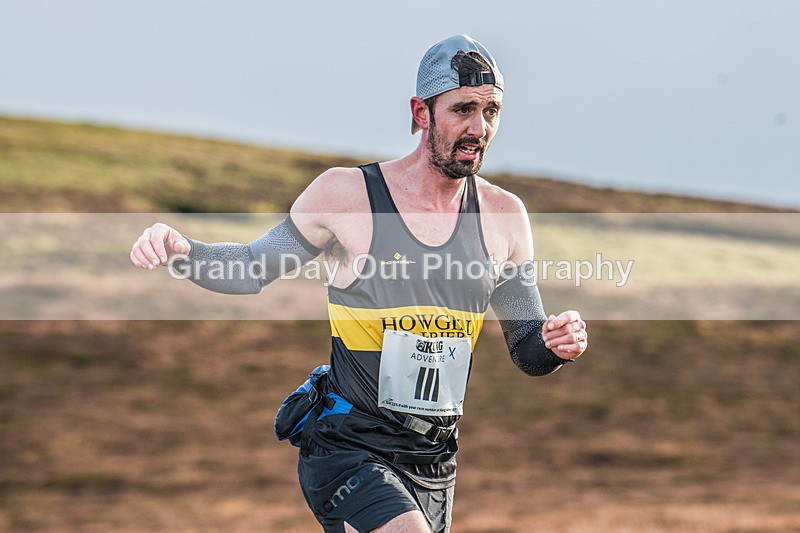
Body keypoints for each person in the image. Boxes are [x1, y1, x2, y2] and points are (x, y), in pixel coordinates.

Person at [130, 34, 588, 533]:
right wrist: (183, 253)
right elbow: (250, 268)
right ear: (420, 112)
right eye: (463, 109)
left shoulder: (504, 217)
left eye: (492, 111)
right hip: (349, 444)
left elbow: (526, 347)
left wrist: (554, 343)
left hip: (433, 459)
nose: (479, 127)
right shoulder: (347, 195)